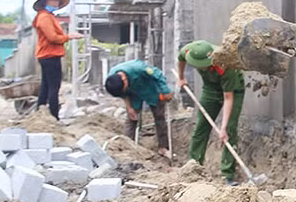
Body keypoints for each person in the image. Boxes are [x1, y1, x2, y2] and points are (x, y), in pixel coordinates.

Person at [177, 40, 245, 186]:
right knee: (201, 127)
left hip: (233, 90)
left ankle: (227, 175)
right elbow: (180, 58)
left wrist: (223, 128)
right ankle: (194, 168)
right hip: (210, 88)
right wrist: (181, 77)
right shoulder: (189, 51)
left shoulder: (225, 65)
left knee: (230, 130)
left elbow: (228, 98)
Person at [104, 61, 172, 158]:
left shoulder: (139, 68)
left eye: (123, 88)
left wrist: (165, 91)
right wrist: (129, 107)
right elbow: (123, 94)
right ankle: (127, 146)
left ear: (124, 79)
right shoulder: (112, 80)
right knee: (131, 118)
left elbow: (158, 74)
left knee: (159, 116)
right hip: (133, 94)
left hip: (151, 89)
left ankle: (163, 147)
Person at [32, 0, 83, 119]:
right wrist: (69, 36)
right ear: (45, 1)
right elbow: (53, 37)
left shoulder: (48, 16)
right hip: (49, 55)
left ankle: (40, 113)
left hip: (48, 55)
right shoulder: (44, 17)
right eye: (53, 0)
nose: (56, 3)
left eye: (57, 0)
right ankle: (54, 115)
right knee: (54, 86)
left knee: (46, 85)